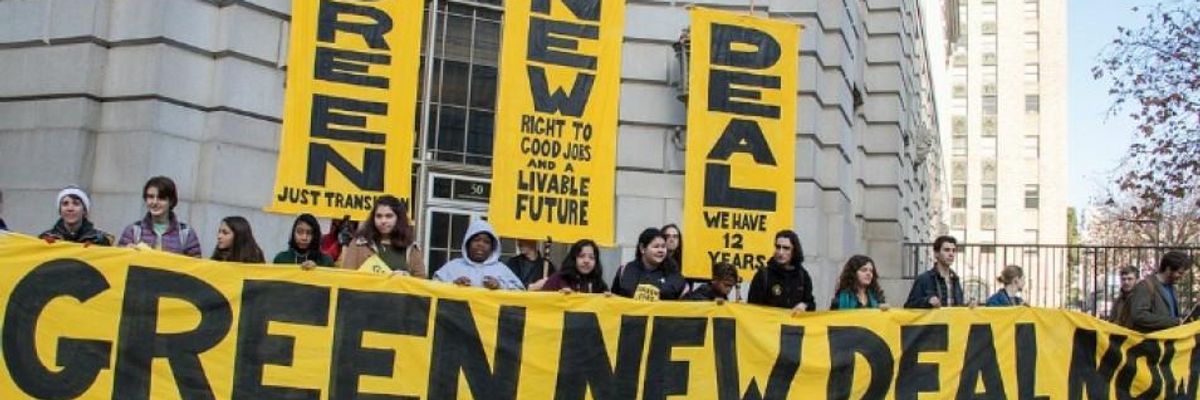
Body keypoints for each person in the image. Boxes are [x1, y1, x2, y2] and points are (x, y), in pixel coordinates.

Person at [339, 196, 425, 277]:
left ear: (398, 218)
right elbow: (346, 277)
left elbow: (421, 280)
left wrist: (405, 277)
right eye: (379, 216)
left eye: (389, 216)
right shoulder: (359, 244)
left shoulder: (410, 247)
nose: (383, 221)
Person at [117, 176, 202, 257]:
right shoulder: (133, 231)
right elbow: (118, 262)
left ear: (171, 201)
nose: (155, 202)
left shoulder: (186, 234)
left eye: (161, 198)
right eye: (151, 197)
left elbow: (196, 265)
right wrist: (125, 252)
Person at [433, 219, 524, 290]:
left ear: (493, 247)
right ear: (468, 243)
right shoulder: (452, 267)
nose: (480, 245)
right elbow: (433, 288)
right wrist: (453, 285)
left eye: (486, 242)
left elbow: (521, 294)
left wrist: (500, 286)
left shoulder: (501, 269)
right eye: (476, 240)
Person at [747, 230, 816, 312]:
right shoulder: (763, 275)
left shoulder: (803, 276)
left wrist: (804, 305)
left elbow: (811, 304)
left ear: (794, 251)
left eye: (786, 248)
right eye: (778, 247)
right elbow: (751, 308)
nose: (780, 252)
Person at [611, 228, 687, 300]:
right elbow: (614, 298)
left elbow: (686, 301)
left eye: (663, 247)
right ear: (642, 248)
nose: (660, 250)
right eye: (656, 247)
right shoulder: (625, 270)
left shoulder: (673, 274)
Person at [1129, 251, 1195, 332]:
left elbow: (1169, 314)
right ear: (1168, 269)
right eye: (1180, 273)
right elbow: (1139, 316)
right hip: (1152, 339)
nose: (1182, 276)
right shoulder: (1144, 286)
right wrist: (1175, 322)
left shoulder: (1172, 288)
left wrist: (1184, 318)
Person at [39, 186, 113, 246]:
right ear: (60, 210)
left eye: (76, 204)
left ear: (84, 210)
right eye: (65, 204)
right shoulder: (45, 239)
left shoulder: (100, 240)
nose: (70, 208)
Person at [904, 235, 965, 308]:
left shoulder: (955, 279)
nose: (951, 254)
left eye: (953, 251)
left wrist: (969, 307)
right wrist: (928, 301)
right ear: (936, 253)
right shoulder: (924, 279)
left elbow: (959, 306)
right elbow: (909, 306)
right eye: (947, 250)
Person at [541, 239, 608, 294]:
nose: (586, 261)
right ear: (573, 259)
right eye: (581, 256)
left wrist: (607, 298)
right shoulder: (558, 279)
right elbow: (542, 302)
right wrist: (560, 298)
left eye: (591, 257)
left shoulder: (599, 283)